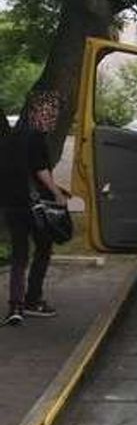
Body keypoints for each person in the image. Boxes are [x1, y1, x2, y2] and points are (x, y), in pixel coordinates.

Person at [2, 90, 68, 326]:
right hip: (35, 206)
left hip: (12, 204)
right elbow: (41, 171)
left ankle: (15, 306)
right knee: (43, 248)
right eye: (47, 113)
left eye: (54, 114)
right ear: (34, 112)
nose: (51, 118)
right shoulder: (37, 137)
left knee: (19, 254)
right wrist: (58, 194)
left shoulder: (12, 136)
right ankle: (33, 299)